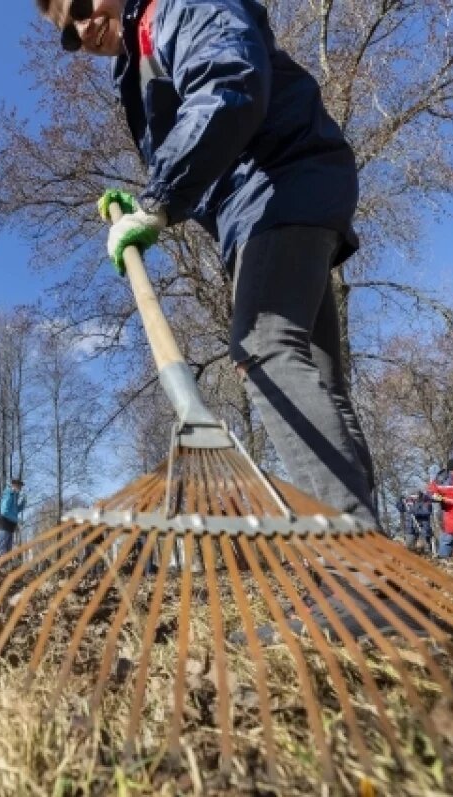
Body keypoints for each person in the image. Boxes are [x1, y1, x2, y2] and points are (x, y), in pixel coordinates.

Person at [36, 0, 376, 526]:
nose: (83, 29)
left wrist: (159, 200)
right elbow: (197, 132)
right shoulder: (142, 55)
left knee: (263, 347)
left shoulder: (172, 7)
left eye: (82, 6)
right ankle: (380, 563)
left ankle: (354, 561)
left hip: (280, 184)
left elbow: (229, 85)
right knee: (319, 382)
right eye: (69, 34)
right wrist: (149, 196)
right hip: (286, 194)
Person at [0, 479, 26, 559]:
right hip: (3, 523)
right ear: (14, 485)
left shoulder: (14, 496)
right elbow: (4, 511)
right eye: (19, 486)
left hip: (10, 525)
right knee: (1, 548)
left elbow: (16, 510)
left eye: (21, 487)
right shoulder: (8, 494)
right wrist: (17, 520)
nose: (20, 489)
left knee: (8, 549)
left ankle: (4, 569)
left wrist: (23, 501)